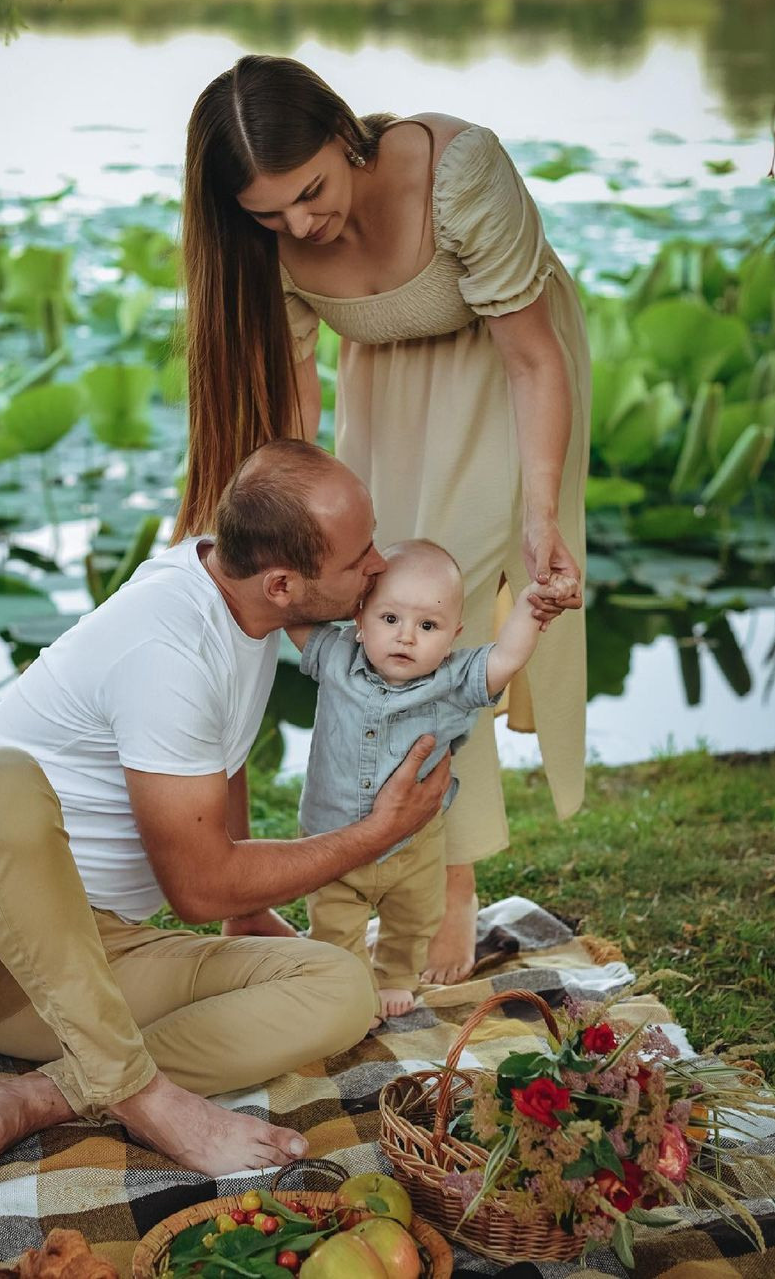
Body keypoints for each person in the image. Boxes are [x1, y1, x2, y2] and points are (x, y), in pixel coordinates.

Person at [0, 439, 451, 1189]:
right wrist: (378, 834)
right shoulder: (166, 647)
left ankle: (36, 1095)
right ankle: (143, 1097)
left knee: (340, 986)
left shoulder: (243, 602)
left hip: (86, 965)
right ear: (282, 583)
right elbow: (199, 890)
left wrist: (247, 917)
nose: (378, 565)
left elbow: (222, 754)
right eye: (359, 555)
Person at [176, 54, 590, 985]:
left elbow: (532, 358)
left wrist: (538, 512)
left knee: (437, 620)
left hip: (505, 386)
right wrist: (298, 534)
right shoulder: (272, 237)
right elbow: (293, 409)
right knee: (377, 605)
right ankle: (394, 862)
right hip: (388, 393)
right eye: (267, 214)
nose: (297, 225)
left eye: (311, 192)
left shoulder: (462, 174)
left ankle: (450, 885)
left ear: (342, 130)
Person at [289, 539, 575, 1027]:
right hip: (331, 838)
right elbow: (290, 615)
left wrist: (530, 608)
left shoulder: (455, 681)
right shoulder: (334, 655)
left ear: (453, 635)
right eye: (389, 619)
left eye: (427, 626)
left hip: (413, 844)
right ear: (359, 618)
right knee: (335, 924)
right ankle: (350, 984)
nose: (405, 637)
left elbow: (506, 657)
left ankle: (394, 975)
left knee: (414, 916)